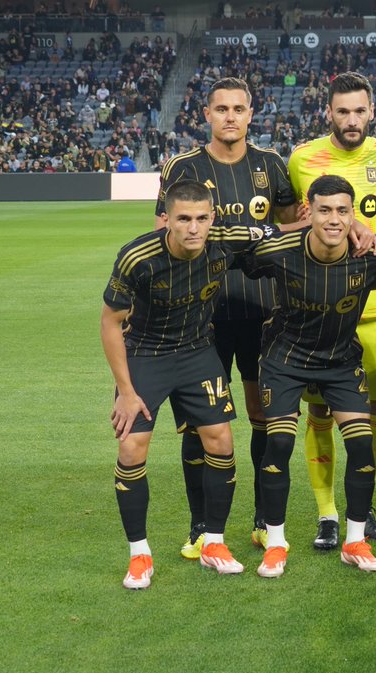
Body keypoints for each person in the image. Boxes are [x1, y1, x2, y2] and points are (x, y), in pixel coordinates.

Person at [102, 179, 277, 589]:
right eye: (183, 219)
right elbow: (110, 324)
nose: (194, 228)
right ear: (166, 219)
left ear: (212, 218)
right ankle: (139, 555)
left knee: (221, 441)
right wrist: (126, 392)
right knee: (131, 446)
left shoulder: (226, 240)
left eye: (201, 218)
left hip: (199, 352)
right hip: (146, 354)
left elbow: (277, 234)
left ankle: (213, 543)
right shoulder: (137, 257)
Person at [156, 77, 299, 561]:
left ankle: (262, 521)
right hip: (202, 321)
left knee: (263, 415)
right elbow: (164, 234)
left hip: (263, 313)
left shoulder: (271, 166)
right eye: (222, 109)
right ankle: (201, 526)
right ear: (207, 115)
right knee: (201, 424)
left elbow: (293, 225)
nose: (231, 117)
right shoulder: (184, 167)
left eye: (239, 108)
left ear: (252, 113)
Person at [242, 175, 376, 577]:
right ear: (308, 211)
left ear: (353, 215)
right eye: (324, 210)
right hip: (284, 359)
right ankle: (275, 544)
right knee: (278, 443)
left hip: (342, 361)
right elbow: (227, 256)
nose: (334, 220)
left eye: (343, 211)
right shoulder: (277, 251)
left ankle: (355, 540)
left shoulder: (374, 255)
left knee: (362, 448)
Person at [287, 72, 376, 550]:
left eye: (359, 111)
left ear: (371, 111)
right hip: (320, 307)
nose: (351, 120)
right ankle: (327, 514)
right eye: (342, 111)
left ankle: (365, 505)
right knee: (320, 410)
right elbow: (283, 214)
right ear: (328, 112)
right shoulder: (301, 160)